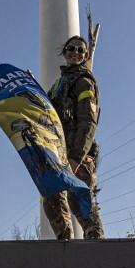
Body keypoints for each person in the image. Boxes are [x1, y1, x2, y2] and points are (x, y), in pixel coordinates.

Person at [42, 35, 105, 239]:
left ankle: (98, 248)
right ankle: (66, 246)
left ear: (86, 55)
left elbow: (88, 121)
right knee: (52, 200)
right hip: (58, 152)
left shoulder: (84, 82)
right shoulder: (59, 85)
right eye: (71, 48)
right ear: (65, 52)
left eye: (80, 50)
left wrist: (77, 156)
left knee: (80, 201)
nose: (75, 52)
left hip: (77, 153)